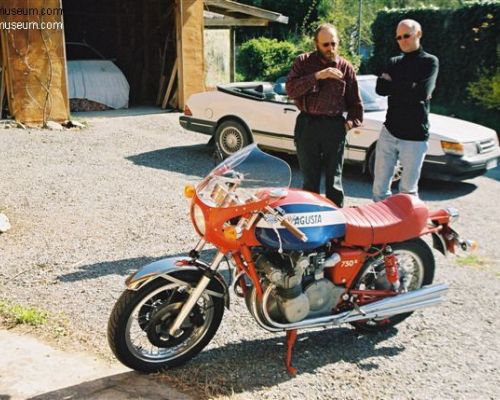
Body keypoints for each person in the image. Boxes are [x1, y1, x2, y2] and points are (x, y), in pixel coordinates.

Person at [286, 23, 363, 208]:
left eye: (334, 44)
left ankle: (336, 227)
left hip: (334, 126)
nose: (331, 48)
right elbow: (291, 90)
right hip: (308, 124)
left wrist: (348, 125)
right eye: (325, 44)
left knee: (334, 181)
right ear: (316, 43)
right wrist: (318, 76)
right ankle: (311, 222)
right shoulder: (303, 62)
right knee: (310, 180)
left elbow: (356, 105)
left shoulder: (346, 68)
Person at [372, 19, 439, 202]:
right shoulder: (394, 61)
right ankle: (382, 226)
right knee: (379, 188)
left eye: (406, 36)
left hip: (415, 135)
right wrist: (409, 85)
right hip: (389, 130)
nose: (402, 40)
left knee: (407, 191)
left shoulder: (430, 62)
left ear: (418, 34)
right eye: (399, 37)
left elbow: (422, 92)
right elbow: (380, 89)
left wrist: (393, 83)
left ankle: (407, 229)